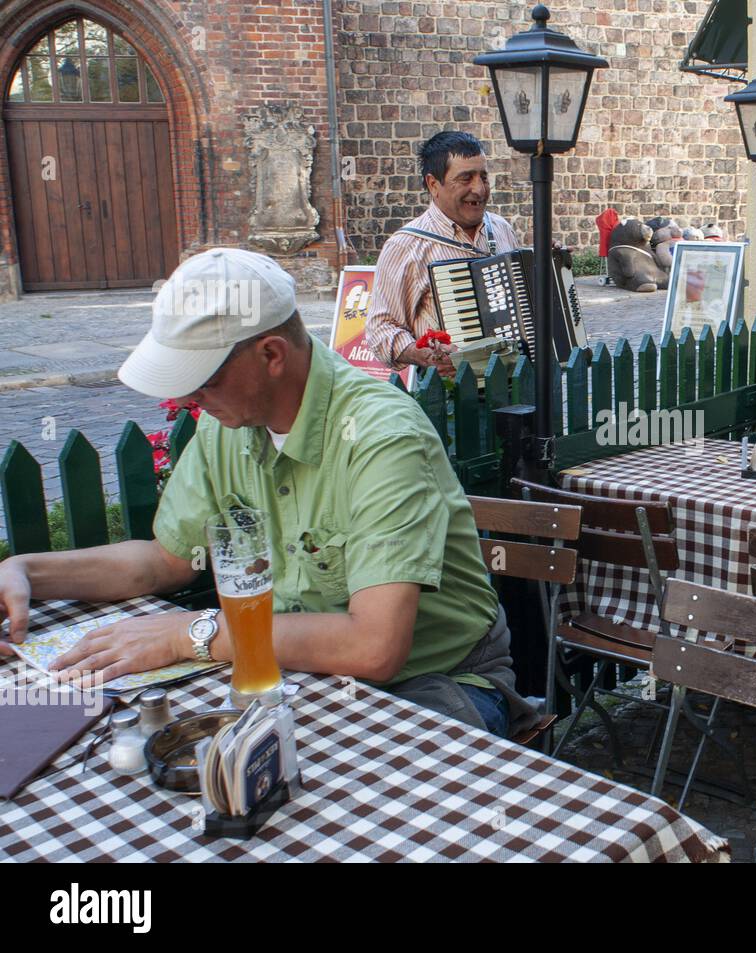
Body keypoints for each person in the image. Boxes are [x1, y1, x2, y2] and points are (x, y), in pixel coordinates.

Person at [0, 248, 537, 738]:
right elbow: (166, 561)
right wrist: (27, 571)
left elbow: (374, 648)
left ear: (272, 355)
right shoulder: (226, 425)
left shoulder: (381, 434)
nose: (187, 398)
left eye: (202, 379)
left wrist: (188, 633)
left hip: (437, 681)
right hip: (303, 672)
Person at [366, 130, 521, 375]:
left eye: (483, 177)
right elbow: (381, 329)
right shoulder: (406, 246)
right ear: (433, 184)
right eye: (466, 178)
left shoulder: (501, 229)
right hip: (453, 397)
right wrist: (423, 355)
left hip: (515, 385)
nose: (479, 189)